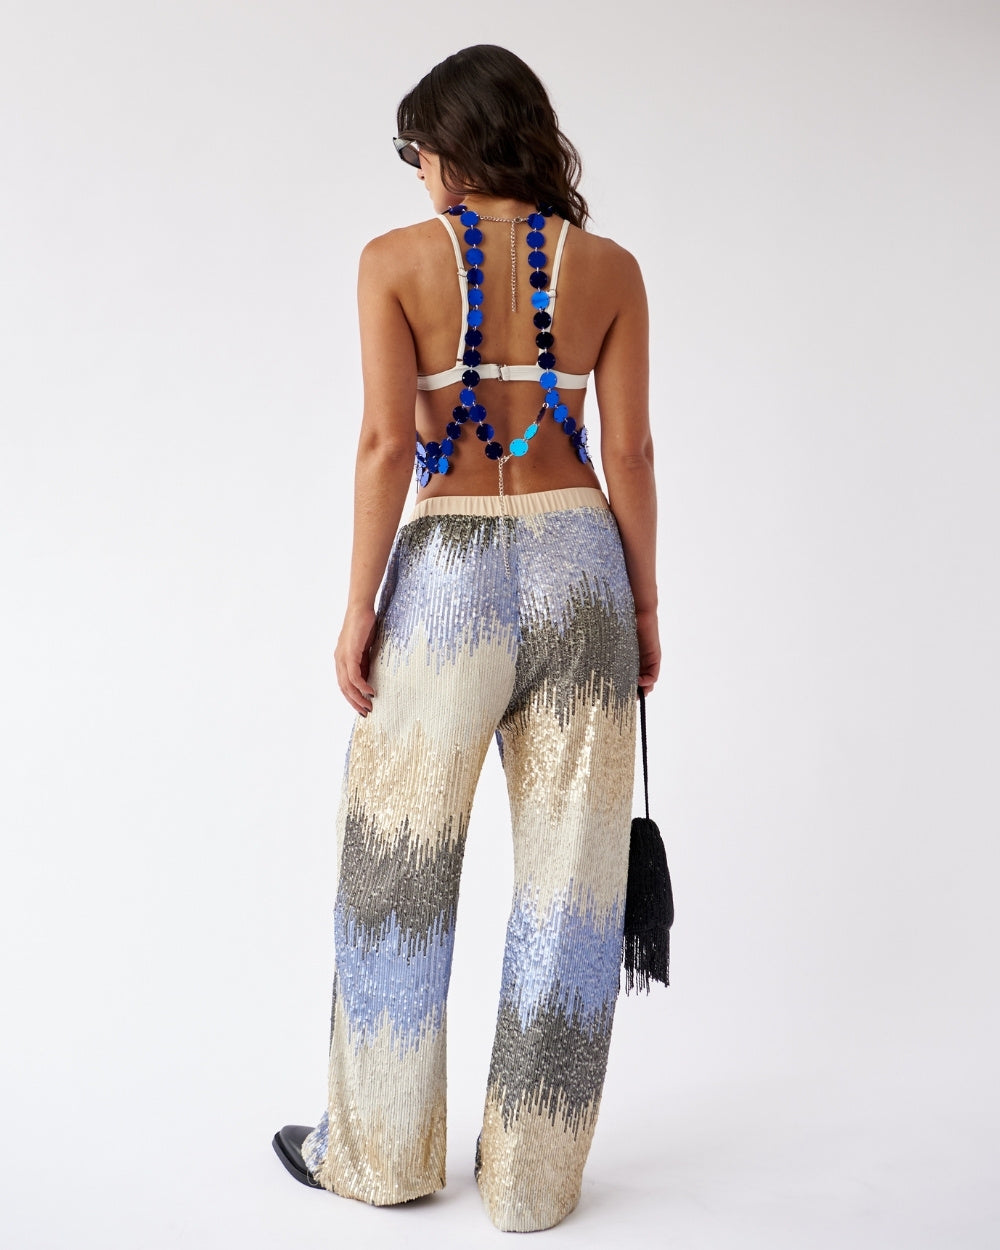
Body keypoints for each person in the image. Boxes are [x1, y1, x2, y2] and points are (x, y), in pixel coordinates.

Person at [272, 43, 660, 1234]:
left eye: (418, 148)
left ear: (451, 144)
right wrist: (643, 604)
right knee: (572, 885)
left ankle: (380, 1156)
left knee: (397, 863)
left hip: (446, 575)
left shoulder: (395, 260)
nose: (417, 170)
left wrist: (358, 606)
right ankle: (533, 1182)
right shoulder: (608, 268)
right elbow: (629, 451)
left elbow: (388, 443)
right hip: (582, 564)